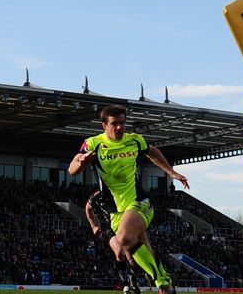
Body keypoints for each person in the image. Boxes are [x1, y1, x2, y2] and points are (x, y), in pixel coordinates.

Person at [68, 105, 189, 294]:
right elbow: (72, 169)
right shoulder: (93, 144)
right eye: (114, 124)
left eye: (122, 123)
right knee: (132, 254)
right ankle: (158, 285)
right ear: (104, 126)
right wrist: (81, 163)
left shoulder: (134, 140)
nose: (119, 128)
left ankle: (163, 280)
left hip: (139, 202)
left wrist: (171, 172)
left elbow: (152, 151)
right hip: (115, 210)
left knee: (124, 238)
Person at [85, 189, 140, 294]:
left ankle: (133, 280)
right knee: (119, 253)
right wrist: (93, 226)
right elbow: (87, 208)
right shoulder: (97, 195)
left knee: (132, 259)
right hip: (109, 228)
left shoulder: (123, 191)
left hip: (124, 227)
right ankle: (125, 284)